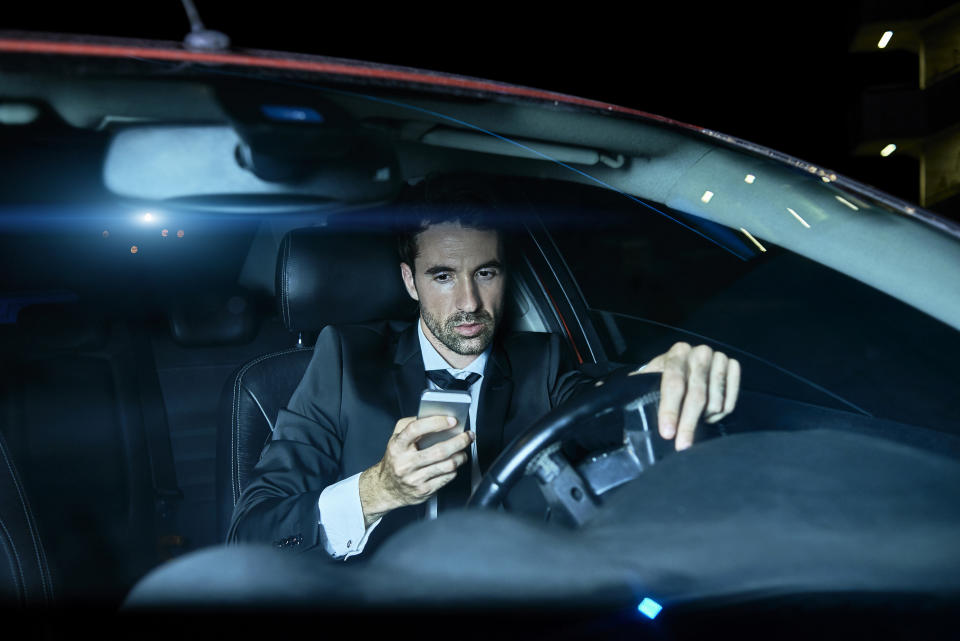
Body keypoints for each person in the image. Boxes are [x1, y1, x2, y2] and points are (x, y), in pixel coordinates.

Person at [228, 185, 741, 560]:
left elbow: (600, 406)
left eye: (486, 273)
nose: (470, 302)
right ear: (410, 281)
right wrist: (380, 489)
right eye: (444, 276)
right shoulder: (344, 359)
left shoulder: (543, 359)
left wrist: (660, 381)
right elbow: (251, 531)